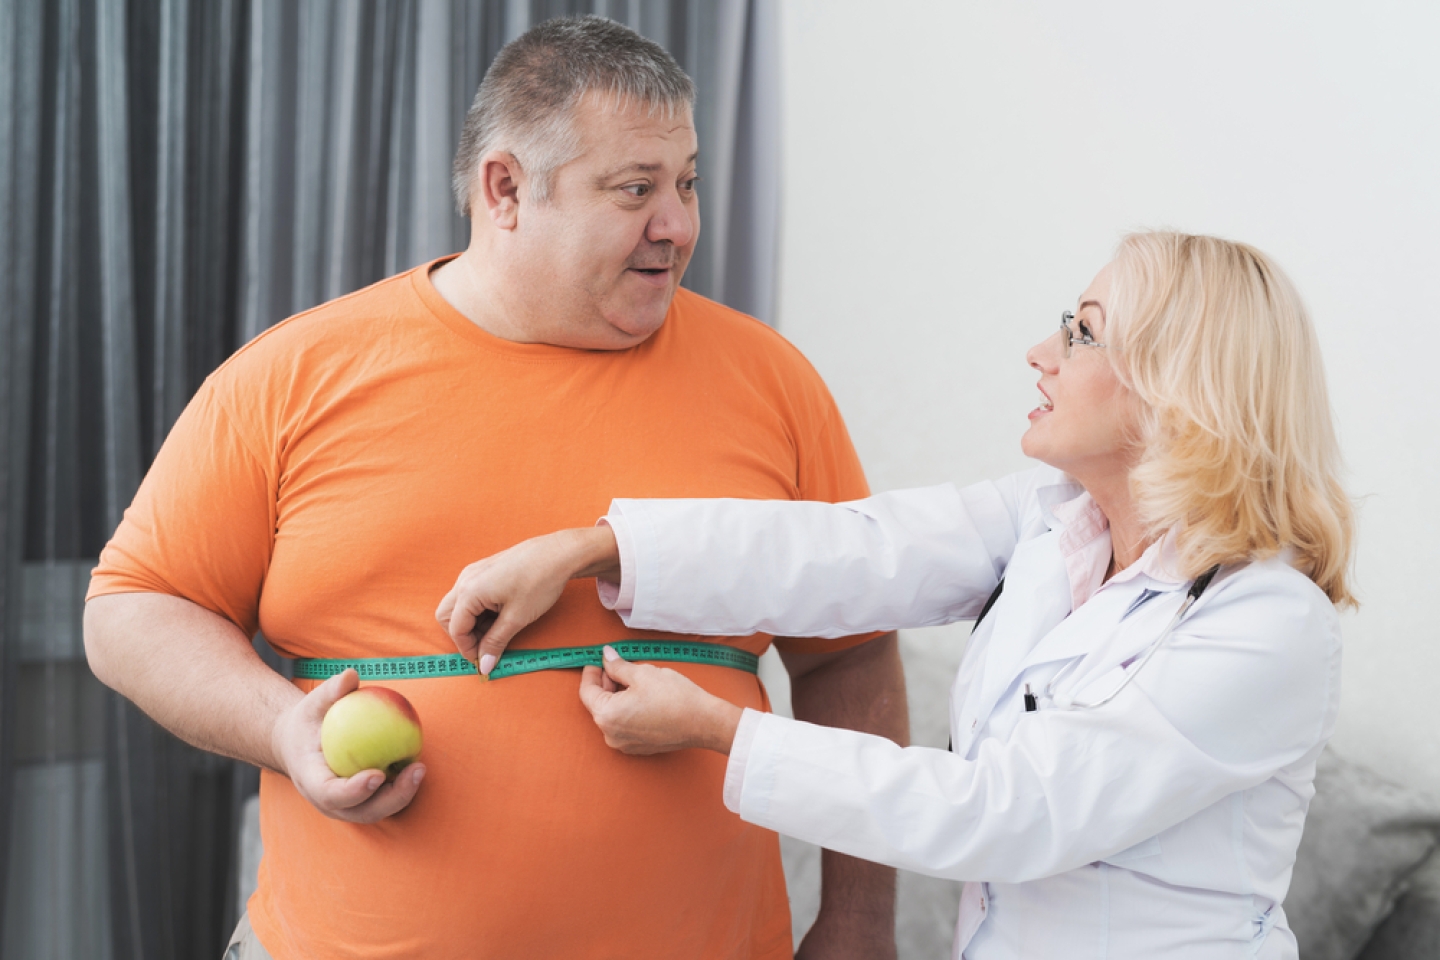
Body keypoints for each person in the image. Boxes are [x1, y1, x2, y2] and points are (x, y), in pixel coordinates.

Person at [84, 16, 907, 960]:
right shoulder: (296, 374)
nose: (676, 224)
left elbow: (847, 652)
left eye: (686, 183)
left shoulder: (772, 382)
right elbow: (135, 607)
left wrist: (857, 921)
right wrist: (284, 728)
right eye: (635, 189)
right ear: (505, 188)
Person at [437, 232, 1355, 959]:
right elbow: (845, 551)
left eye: (1081, 332)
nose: (1040, 352)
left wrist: (721, 731)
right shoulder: (1049, 518)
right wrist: (592, 547)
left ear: (1175, 386)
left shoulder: (1266, 625)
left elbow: (1005, 813)